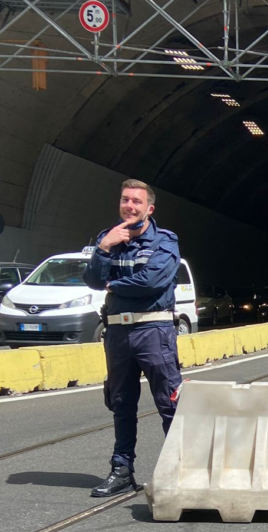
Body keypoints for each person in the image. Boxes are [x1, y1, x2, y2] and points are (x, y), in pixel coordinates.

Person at [84, 179, 183, 498]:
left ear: (149, 208)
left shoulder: (165, 241)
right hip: (117, 333)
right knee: (121, 403)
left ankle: (180, 471)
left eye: (136, 202)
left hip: (153, 331)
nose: (129, 206)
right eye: (125, 200)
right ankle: (122, 470)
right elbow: (92, 280)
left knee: (170, 403)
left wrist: (114, 284)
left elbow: (152, 282)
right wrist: (103, 248)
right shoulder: (107, 239)